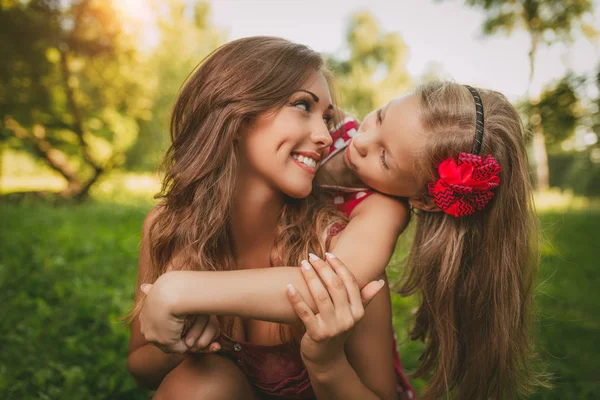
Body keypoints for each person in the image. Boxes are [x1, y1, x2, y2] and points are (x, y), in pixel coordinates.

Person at [128, 36, 414, 400]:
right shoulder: (168, 226)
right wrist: (180, 342)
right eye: (302, 106)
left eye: (327, 118)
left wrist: (328, 363)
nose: (325, 136)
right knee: (201, 383)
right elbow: (141, 367)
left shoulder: (337, 247)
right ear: (236, 111)